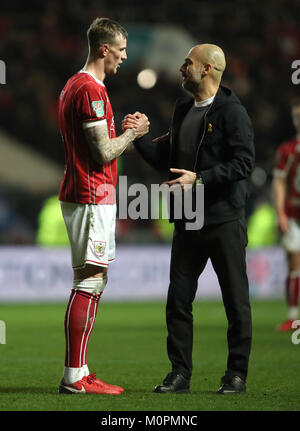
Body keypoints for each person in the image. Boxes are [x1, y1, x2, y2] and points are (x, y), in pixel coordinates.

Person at [123, 44, 255, 394]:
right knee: (178, 300)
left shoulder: (232, 113)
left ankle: (236, 374)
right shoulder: (183, 107)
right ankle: (179, 373)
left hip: (223, 219)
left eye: (188, 63)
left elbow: (245, 163)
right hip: (188, 218)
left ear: (208, 69)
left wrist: (200, 178)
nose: (182, 68)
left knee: (235, 302)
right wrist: (137, 139)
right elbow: (166, 158)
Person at [58, 17, 149, 395]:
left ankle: (79, 371)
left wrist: (121, 131)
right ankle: (75, 377)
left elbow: (100, 144)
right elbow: (101, 151)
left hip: (90, 194)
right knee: (90, 282)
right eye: (122, 50)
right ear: (103, 50)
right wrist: (132, 133)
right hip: (91, 195)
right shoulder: (91, 90)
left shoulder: (75, 86)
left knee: (93, 280)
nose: (125, 57)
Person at [272, 99, 300, 332]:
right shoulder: (288, 149)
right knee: (294, 263)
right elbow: (279, 182)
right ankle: (292, 316)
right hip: (293, 214)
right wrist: (280, 212)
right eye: (296, 117)